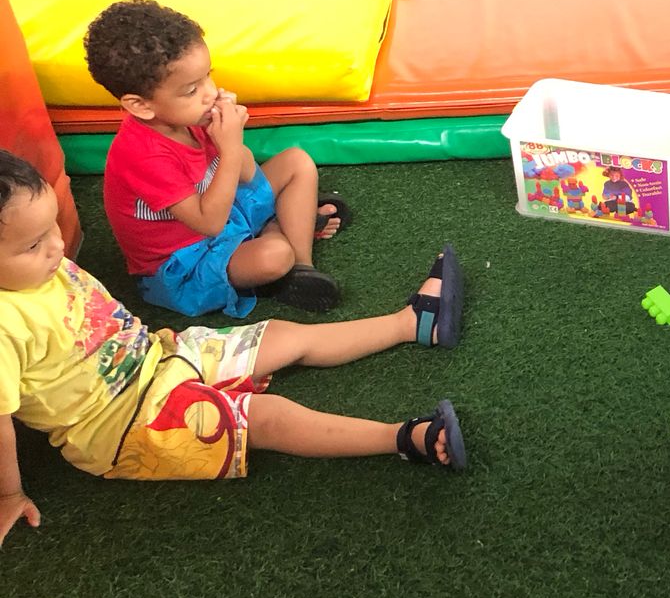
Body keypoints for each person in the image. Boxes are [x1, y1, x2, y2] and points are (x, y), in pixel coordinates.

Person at [0, 151, 467, 549]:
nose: (57, 246)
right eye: (34, 244)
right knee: (266, 417)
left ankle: (412, 323)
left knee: (284, 336)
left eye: (53, 226)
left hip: (158, 358)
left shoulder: (42, 265)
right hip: (124, 426)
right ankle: (405, 439)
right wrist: (8, 495)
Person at [85, 0, 349, 317]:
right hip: (186, 260)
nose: (210, 93)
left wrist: (230, 140)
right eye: (191, 90)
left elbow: (248, 174)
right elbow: (209, 223)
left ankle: (302, 269)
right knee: (275, 256)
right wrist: (230, 148)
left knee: (297, 161)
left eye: (208, 76)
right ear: (141, 105)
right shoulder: (142, 155)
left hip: (223, 211)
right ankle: (289, 225)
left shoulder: (189, 116)